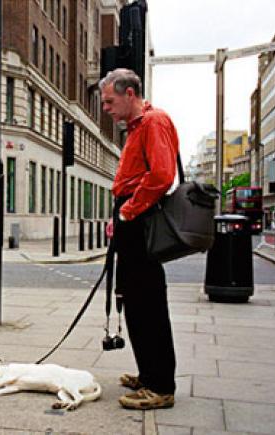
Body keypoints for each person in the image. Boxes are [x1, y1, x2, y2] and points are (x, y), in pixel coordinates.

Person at [99, 68, 178, 410]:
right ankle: (149, 373)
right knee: (133, 299)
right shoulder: (136, 127)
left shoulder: (153, 122)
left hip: (141, 218)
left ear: (129, 94)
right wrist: (120, 217)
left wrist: (130, 211)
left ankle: (160, 384)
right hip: (132, 218)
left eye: (109, 101)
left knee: (147, 303)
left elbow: (162, 174)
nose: (105, 108)